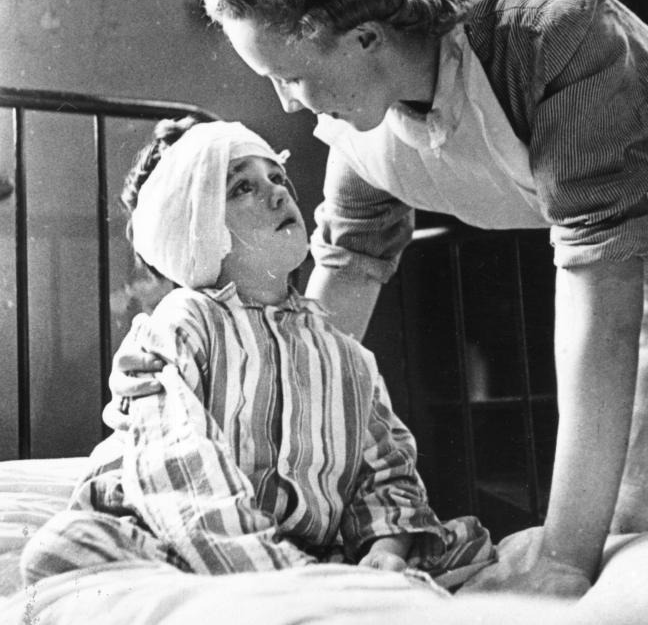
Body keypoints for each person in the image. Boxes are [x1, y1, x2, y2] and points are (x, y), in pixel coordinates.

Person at [110, 0, 648, 598]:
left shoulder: (553, 35)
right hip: (646, 279)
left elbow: (600, 286)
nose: (286, 103)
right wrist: (260, 454)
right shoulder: (363, 129)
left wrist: (564, 550)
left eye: (290, 76)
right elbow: (337, 293)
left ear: (364, 37)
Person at [21, 117, 494, 587]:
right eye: (241, 188)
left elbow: (387, 474)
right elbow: (180, 470)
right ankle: (277, 580)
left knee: (467, 544)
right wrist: (281, 571)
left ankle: (304, 579)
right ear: (199, 229)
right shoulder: (186, 322)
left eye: (277, 177)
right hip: (174, 526)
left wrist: (383, 551)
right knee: (71, 542)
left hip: (300, 547)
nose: (278, 193)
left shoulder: (344, 353)